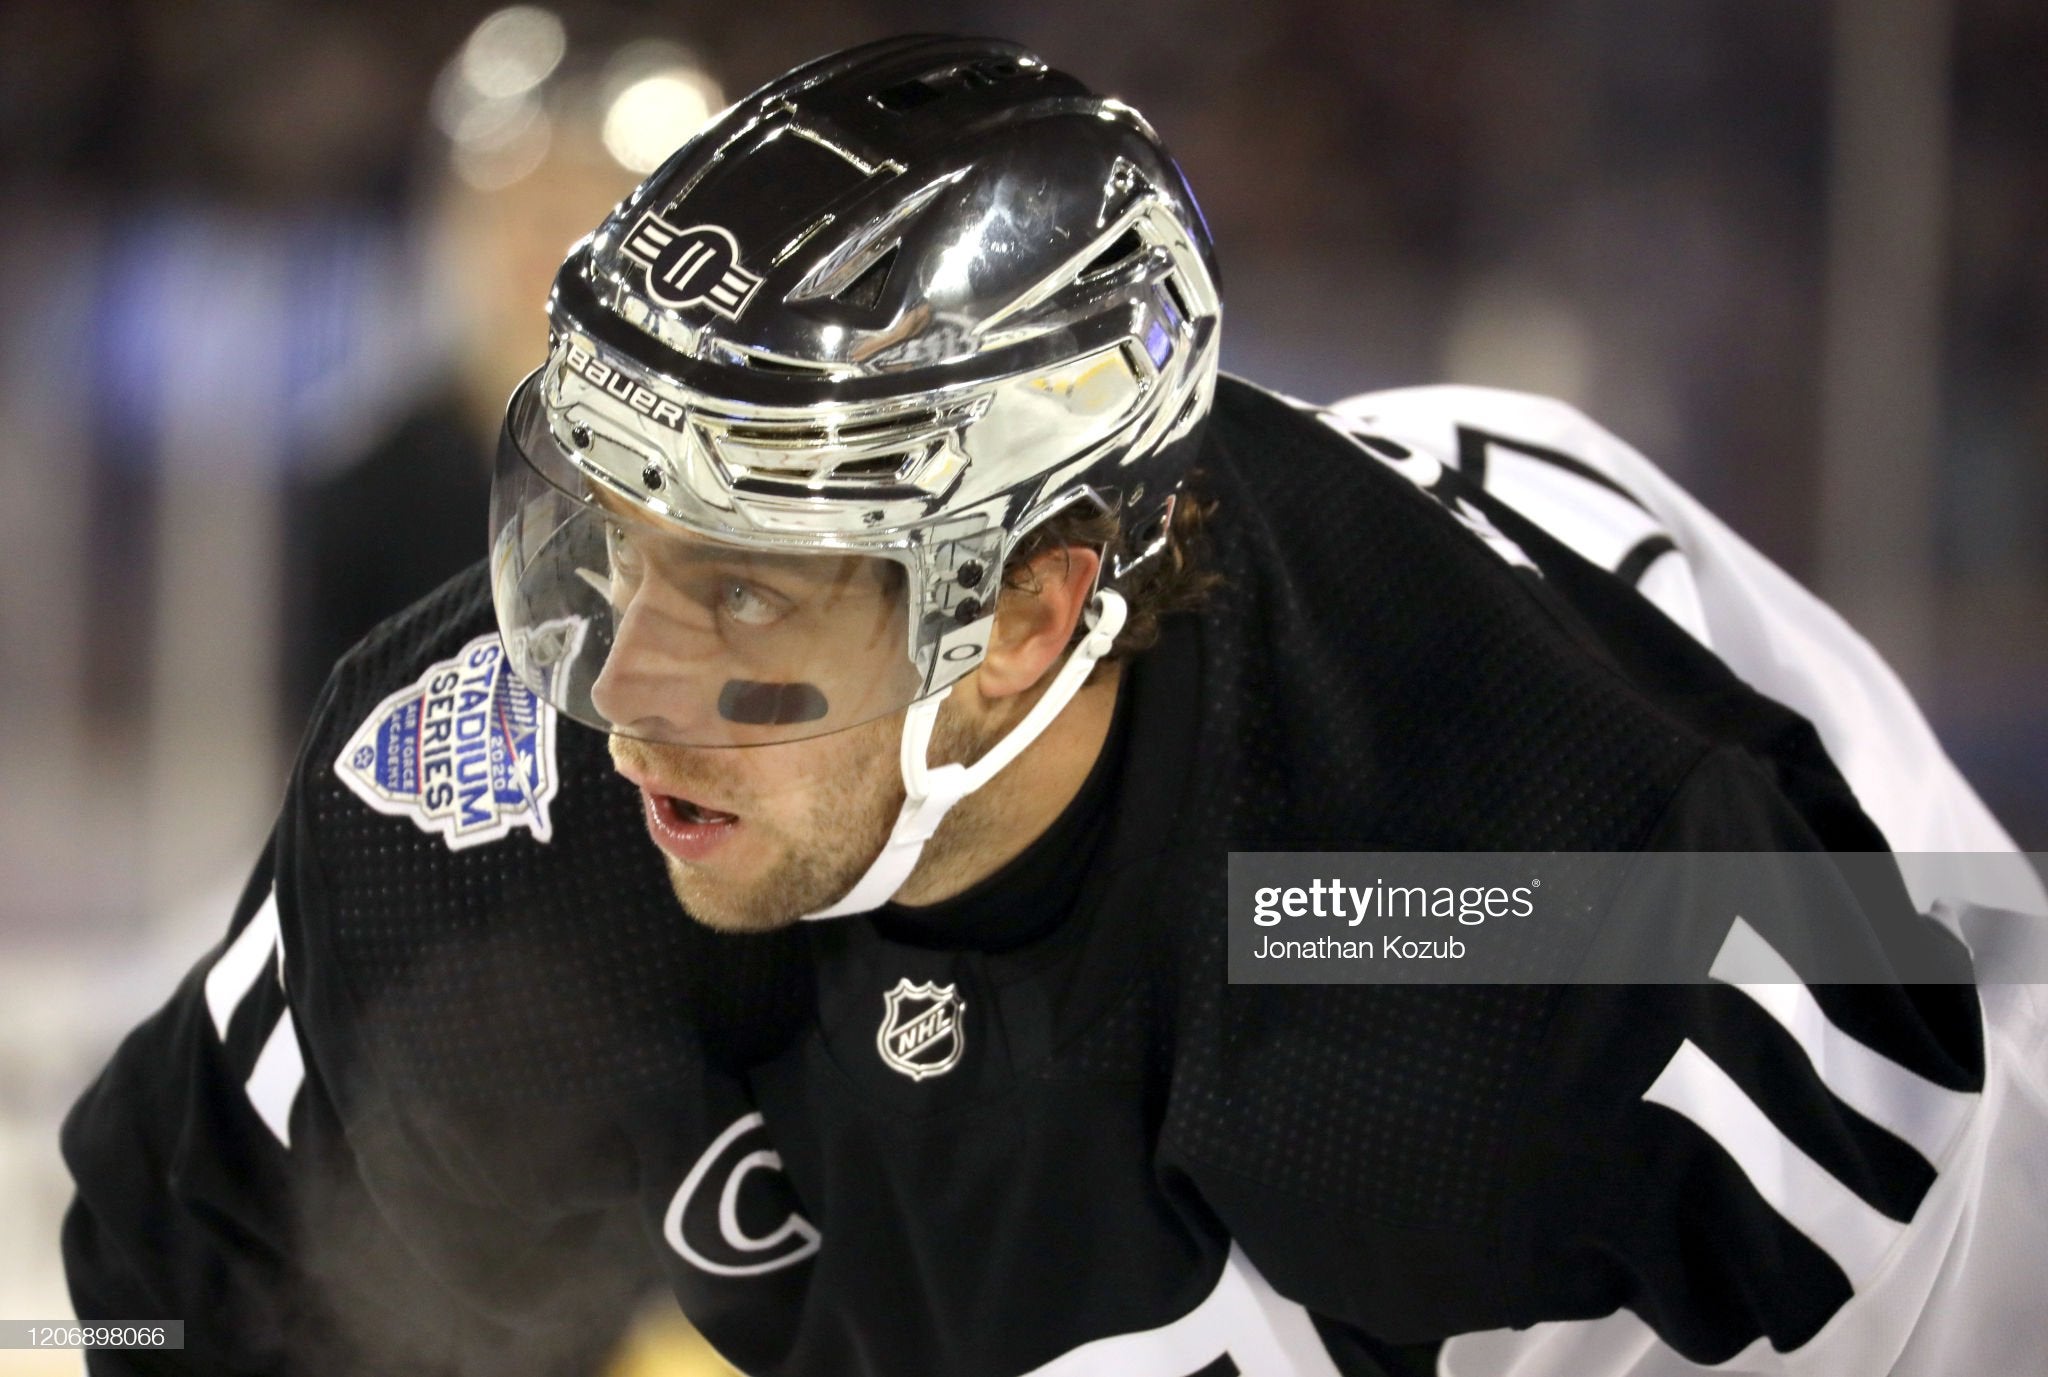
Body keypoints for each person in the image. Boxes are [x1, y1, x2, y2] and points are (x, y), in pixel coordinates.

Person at [62, 34, 2047, 1377]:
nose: (620, 683)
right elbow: (177, 1277)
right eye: (606, 534)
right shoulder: (468, 811)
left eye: (745, 579)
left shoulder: (1520, 931)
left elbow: (1893, 1100)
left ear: (1025, 613)